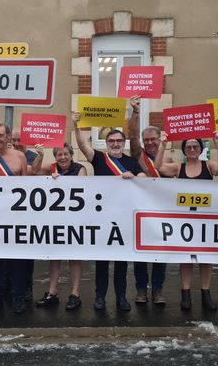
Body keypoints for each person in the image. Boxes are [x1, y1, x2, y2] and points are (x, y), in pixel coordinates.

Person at [72, 111, 146, 312]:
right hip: (102, 217)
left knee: (121, 262)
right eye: (111, 141)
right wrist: (77, 127)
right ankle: (100, 297)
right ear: (107, 143)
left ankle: (121, 297)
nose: (115, 144)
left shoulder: (131, 161)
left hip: (123, 218)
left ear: (124, 143)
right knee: (102, 261)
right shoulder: (99, 159)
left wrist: (135, 177)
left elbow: (145, 180)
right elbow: (82, 146)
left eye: (119, 141)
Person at [155, 133, 218, 310]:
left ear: (201, 149)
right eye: (189, 147)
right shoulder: (179, 167)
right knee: (186, 258)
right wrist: (163, 145)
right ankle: (185, 294)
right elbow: (158, 167)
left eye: (196, 147)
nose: (192, 150)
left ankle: (205, 293)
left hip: (205, 219)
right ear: (184, 150)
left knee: (206, 258)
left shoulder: (208, 165)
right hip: (184, 220)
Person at [0, 123, 30, 314]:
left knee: (18, 260)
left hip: (16, 217)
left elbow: (26, 186)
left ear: (8, 137)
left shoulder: (20, 157)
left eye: (0, 136)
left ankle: (18, 297)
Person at [32, 143, 87, 311]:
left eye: (65, 154)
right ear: (55, 156)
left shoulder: (80, 169)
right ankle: (52, 292)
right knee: (54, 257)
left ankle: (75, 294)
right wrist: (40, 156)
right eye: (59, 155)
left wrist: (61, 181)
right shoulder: (52, 168)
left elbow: (82, 188)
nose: (63, 157)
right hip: (55, 220)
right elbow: (34, 171)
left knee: (74, 258)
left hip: (74, 220)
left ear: (71, 155)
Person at [129, 97, 170, 305]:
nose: (150, 142)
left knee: (160, 253)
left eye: (153, 139)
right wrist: (135, 113)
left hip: (162, 211)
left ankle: (157, 290)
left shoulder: (169, 159)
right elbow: (133, 136)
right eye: (147, 140)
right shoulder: (138, 155)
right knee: (141, 253)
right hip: (142, 211)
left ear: (159, 139)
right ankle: (141, 290)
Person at [11, 129, 37, 300]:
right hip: (9, 212)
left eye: (19, 139)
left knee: (27, 254)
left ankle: (27, 287)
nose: (16, 143)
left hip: (28, 212)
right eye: (13, 140)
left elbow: (36, 172)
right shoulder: (2, 156)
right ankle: (10, 287)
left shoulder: (34, 156)